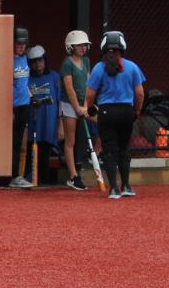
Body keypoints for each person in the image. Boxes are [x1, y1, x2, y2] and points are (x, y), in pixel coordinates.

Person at [84, 31, 146, 200]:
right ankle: (126, 185)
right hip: (126, 111)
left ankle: (113, 188)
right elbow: (140, 94)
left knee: (109, 149)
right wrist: (137, 110)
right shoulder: (132, 67)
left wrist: (90, 109)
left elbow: (90, 94)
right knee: (124, 148)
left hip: (106, 112)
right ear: (123, 47)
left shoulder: (98, 68)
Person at [59, 30, 92, 190]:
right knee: (70, 140)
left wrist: (85, 105)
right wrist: (77, 107)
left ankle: (97, 156)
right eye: (79, 45)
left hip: (82, 105)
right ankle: (73, 176)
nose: (83, 48)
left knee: (99, 122)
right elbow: (69, 88)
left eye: (84, 45)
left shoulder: (86, 61)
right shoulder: (67, 63)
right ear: (71, 46)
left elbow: (87, 84)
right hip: (69, 105)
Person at [25, 45, 62, 186]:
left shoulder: (54, 77)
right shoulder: (27, 78)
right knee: (31, 153)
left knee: (45, 154)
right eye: (34, 62)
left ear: (45, 60)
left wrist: (61, 126)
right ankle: (31, 179)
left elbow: (59, 101)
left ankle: (44, 181)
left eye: (40, 61)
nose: (38, 65)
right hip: (33, 122)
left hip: (49, 123)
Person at [8, 26, 33, 188]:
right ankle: (13, 176)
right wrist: (9, 108)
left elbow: (24, 83)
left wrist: (31, 96)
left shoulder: (24, 59)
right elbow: (7, 85)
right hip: (15, 106)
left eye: (24, 43)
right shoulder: (9, 60)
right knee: (14, 143)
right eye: (18, 43)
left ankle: (18, 175)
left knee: (20, 142)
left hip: (25, 104)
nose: (21, 46)